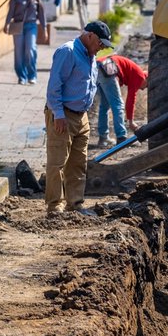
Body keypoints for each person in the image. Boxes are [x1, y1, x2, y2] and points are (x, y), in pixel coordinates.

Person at [45, 20, 111, 217]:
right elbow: (54, 87)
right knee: (57, 162)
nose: (101, 49)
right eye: (100, 44)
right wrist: (58, 114)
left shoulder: (90, 55)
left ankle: (75, 203)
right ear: (90, 36)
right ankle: (54, 206)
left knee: (78, 162)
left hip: (81, 117)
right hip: (63, 114)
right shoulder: (68, 52)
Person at [95, 53, 148, 147]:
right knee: (118, 105)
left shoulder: (134, 72)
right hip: (107, 66)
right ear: (147, 78)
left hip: (100, 64)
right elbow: (131, 99)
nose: (144, 89)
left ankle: (103, 139)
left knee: (104, 105)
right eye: (147, 86)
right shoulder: (140, 76)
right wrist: (131, 121)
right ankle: (122, 138)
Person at [6, 0, 46, 85]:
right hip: (18, 26)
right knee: (19, 52)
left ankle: (32, 75)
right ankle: (21, 76)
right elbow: (10, 12)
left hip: (31, 26)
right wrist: (7, 23)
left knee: (30, 49)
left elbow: (41, 15)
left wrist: (44, 29)